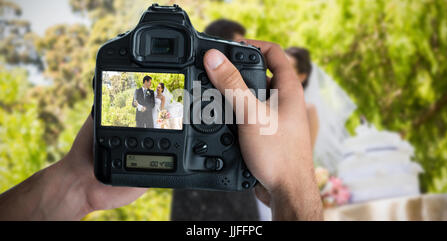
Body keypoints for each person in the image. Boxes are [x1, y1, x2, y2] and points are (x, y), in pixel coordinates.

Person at [0, 39, 323, 221]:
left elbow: (166, 105)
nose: (149, 80)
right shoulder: (141, 92)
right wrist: (293, 188)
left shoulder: (158, 91)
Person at [171, 19, 260, 221]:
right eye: (238, 46)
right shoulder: (187, 79)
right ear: (220, 49)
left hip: (234, 176)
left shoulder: (244, 86)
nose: (243, 50)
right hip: (193, 180)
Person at [285, 47, 356, 173]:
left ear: (301, 76)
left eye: (287, 68)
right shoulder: (264, 100)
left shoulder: (308, 110)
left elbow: (306, 157)